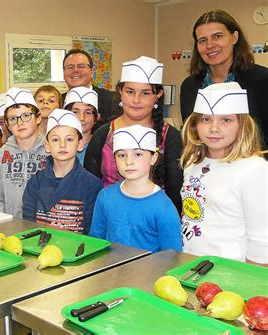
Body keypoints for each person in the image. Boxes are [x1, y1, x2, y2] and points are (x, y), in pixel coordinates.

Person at [180, 82, 267, 265]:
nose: (214, 128)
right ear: (195, 125)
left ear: (242, 125)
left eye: (226, 120)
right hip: (191, 266)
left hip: (232, 273)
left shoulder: (254, 170)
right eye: (205, 119)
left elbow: (262, 241)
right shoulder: (192, 162)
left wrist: (249, 283)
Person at [85, 56, 183, 213]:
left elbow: (175, 195)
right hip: (109, 218)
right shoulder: (102, 135)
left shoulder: (170, 138)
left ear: (157, 95)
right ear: (120, 92)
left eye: (145, 93)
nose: (136, 100)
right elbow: (90, 187)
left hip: (153, 223)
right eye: (130, 92)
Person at [180, 9, 268, 149]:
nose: (209, 45)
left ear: (234, 37)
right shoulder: (189, 86)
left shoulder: (262, 80)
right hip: (205, 166)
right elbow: (190, 136)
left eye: (217, 36)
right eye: (202, 40)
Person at [90, 125, 182, 253]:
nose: (129, 161)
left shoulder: (164, 208)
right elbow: (95, 242)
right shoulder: (105, 196)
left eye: (137, 154)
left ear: (153, 158)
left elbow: (172, 257)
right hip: (109, 271)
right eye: (121, 155)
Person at [23, 109, 102, 234]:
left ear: (80, 144)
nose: (62, 145)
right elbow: (28, 222)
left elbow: (90, 228)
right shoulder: (35, 182)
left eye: (69, 139)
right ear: (47, 146)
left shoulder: (91, 184)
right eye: (55, 140)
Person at [0, 87, 48, 218]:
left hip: (45, 225)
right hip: (11, 226)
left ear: (38, 118)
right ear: (8, 126)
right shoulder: (1, 155)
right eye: (13, 119)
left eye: (26, 116)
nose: (20, 123)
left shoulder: (50, 150)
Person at [62, 49, 115, 131]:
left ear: (92, 71)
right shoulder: (57, 102)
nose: (75, 70)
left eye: (81, 66)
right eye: (70, 67)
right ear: (64, 72)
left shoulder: (112, 99)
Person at [63, 86, 99, 166]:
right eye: (75, 112)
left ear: (96, 117)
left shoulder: (101, 145)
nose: (81, 118)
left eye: (88, 113)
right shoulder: (58, 145)